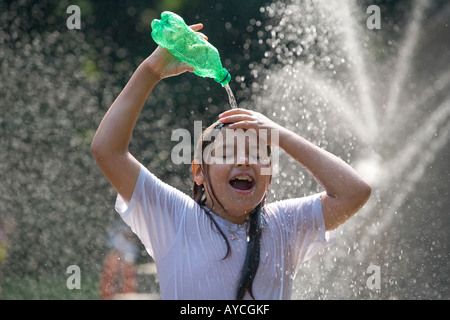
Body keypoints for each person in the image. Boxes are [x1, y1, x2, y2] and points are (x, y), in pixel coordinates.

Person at [91, 23, 371, 300]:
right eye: (227, 153)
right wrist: (150, 72)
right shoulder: (175, 219)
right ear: (199, 172)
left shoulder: (283, 226)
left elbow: (354, 192)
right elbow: (107, 151)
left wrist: (281, 136)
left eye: (258, 155)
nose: (245, 161)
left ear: (269, 175)